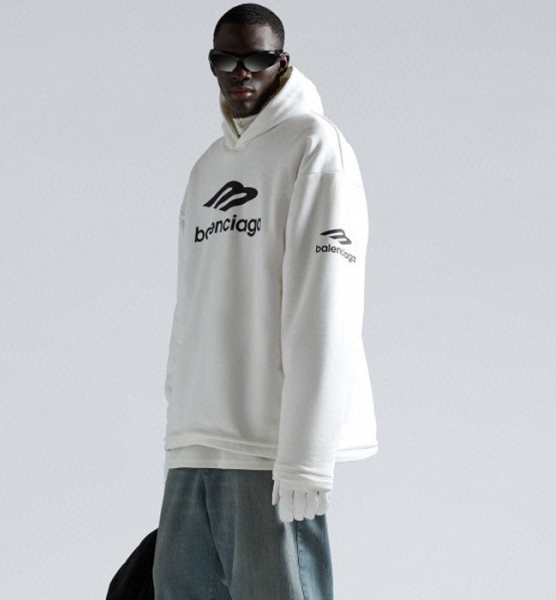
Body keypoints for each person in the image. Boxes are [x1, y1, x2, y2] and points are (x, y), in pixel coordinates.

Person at [152, 4, 378, 599]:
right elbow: (191, 305)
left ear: (282, 61)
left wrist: (307, 453)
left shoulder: (315, 147)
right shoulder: (207, 169)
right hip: (196, 440)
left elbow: (326, 303)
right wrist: (177, 426)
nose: (240, 72)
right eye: (225, 60)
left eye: (256, 58)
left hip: (268, 446)